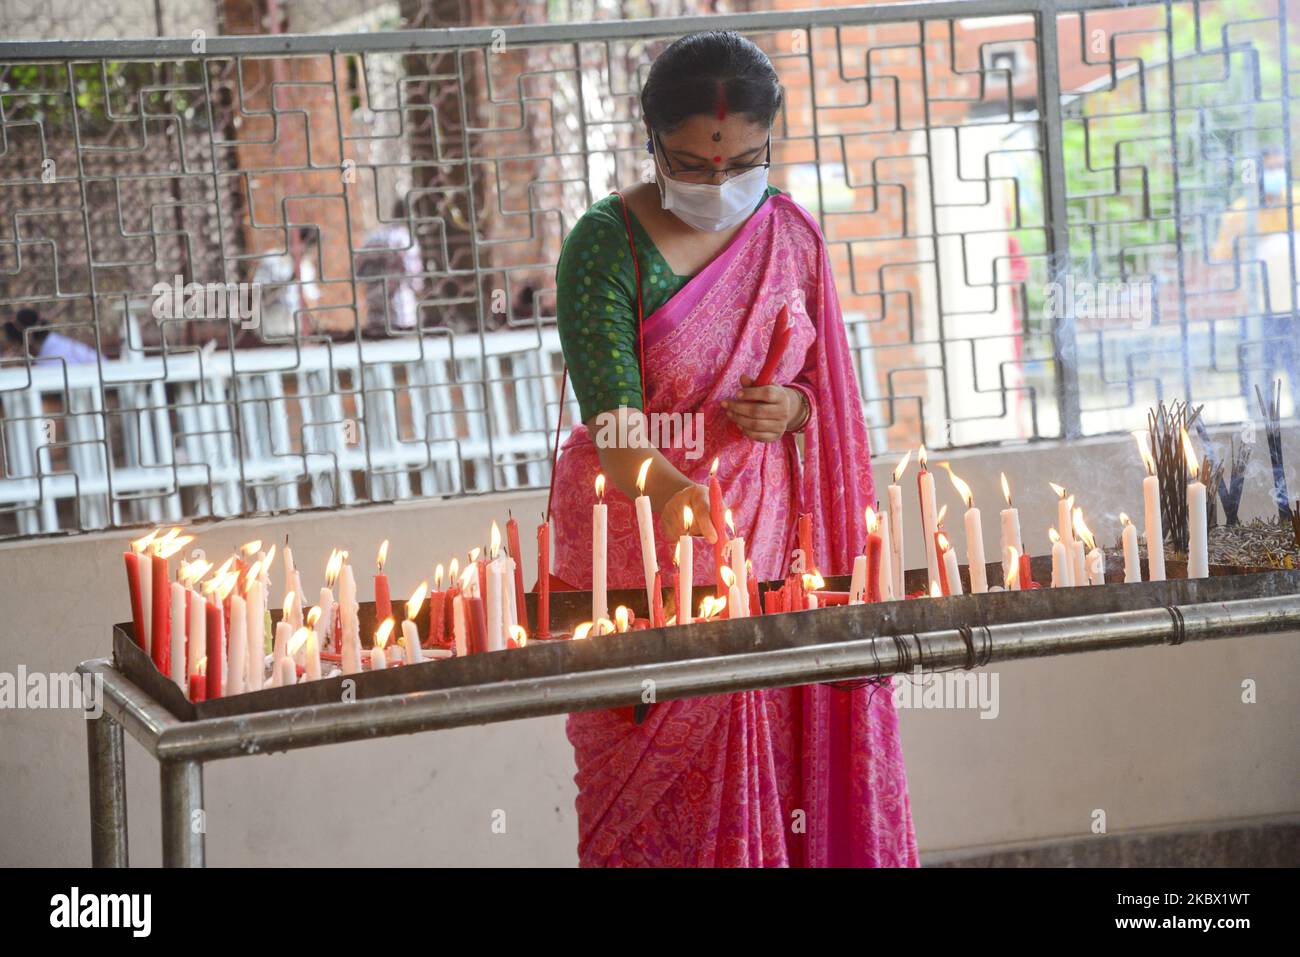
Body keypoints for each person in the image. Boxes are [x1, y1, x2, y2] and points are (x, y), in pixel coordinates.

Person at [549, 31, 918, 867]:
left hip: (773, 556)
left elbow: (828, 398)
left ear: (769, 144)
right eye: (692, 164)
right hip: (641, 549)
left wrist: (791, 407)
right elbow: (615, 436)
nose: (720, 184)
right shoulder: (605, 246)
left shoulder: (791, 235)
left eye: (743, 162)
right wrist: (686, 504)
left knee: (780, 777)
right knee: (657, 802)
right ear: (652, 146)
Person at [1213, 146, 1300, 410]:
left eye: (1280, 168)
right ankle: (1261, 430)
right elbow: (1222, 259)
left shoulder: (1296, 203)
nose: (1277, 174)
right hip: (1259, 311)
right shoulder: (1240, 215)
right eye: (1271, 169)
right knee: (1260, 376)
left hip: (1296, 309)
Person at [357, 198, 425, 334]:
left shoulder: (374, 237)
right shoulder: (406, 240)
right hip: (401, 309)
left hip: (375, 308)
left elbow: (358, 270)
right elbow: (414, 275)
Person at [3, 309, 98, 365]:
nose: (14, 353)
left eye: (16, 347)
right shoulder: (55, 344)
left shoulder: (55, 357)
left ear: (28, 340)